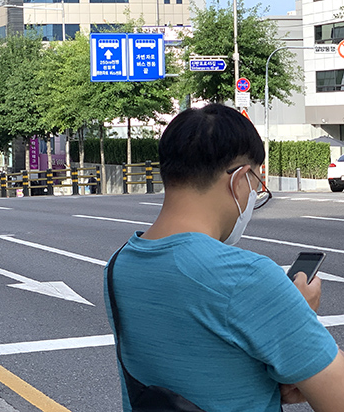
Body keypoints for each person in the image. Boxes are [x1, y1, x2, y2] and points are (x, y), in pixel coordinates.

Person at [104, 103, 344, 412]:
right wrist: (297, 312)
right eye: (256, 184)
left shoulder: (118, 265)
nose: (253, 196)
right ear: (239, 179)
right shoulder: (246, 276)